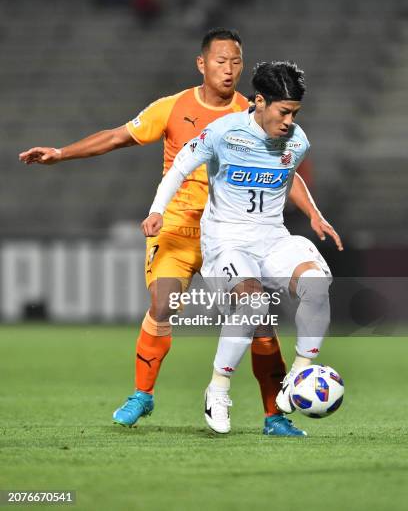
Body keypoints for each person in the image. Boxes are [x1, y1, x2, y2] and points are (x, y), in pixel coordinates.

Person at [19, 30, 340, 436]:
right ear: (202, 64)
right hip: (181, 226)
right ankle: (143, 394)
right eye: (221, 61)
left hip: (239, 232)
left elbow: (283, 172)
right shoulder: (174, 108)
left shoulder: (259, 112)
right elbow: (120, 136)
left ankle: (273, 414)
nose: (229, 69)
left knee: (259, 319)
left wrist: (312, 211)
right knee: (165, 302)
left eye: (236, 61)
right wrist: (62, 153)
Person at [142, 60, 343, 435]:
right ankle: (217, 389)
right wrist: (157, 211)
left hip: (272, 237)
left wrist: (314, 214)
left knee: (316, 285)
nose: (289, 121)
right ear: (260, 102)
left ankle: (298, 376)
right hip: (226, 241)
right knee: (253, 304)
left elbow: (290, 173)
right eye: (283, 111)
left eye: (295, 113)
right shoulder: (223, 132)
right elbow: (181, 167)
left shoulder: (297, 142)